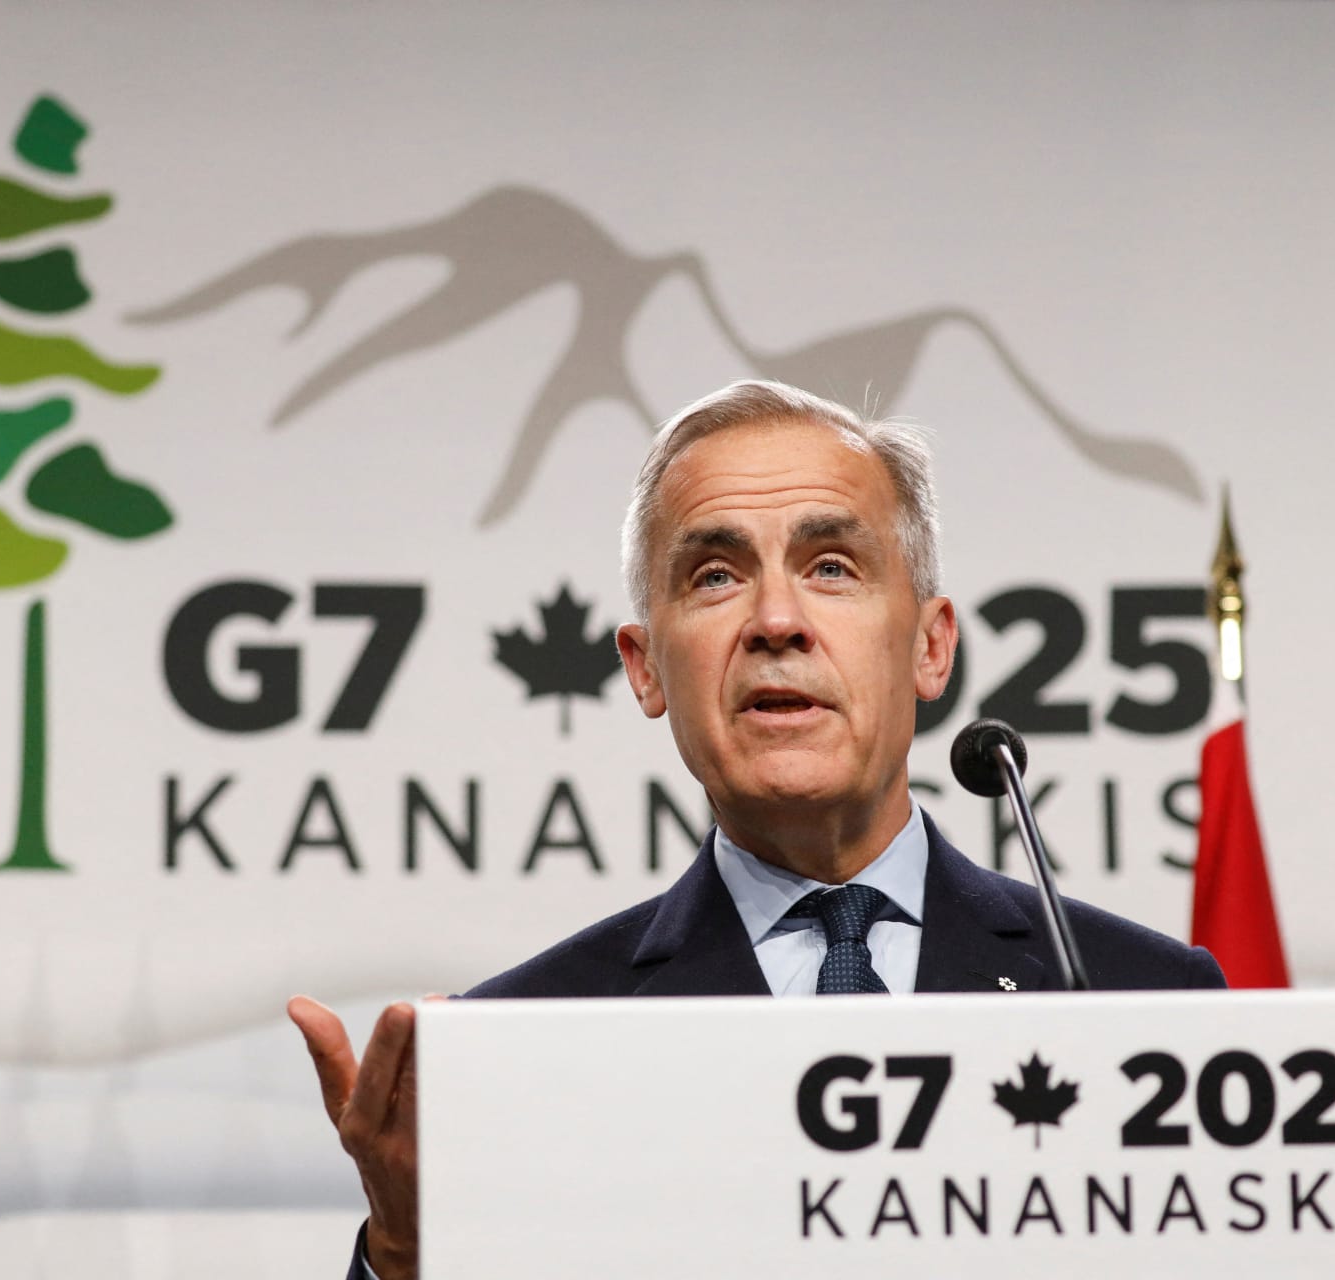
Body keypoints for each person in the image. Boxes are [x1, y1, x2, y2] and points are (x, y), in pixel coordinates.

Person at [288, 379, 1226, 1280]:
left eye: (831, 567)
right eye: (715, 576)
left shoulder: (1146, 999)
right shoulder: (522, 1042)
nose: (777, 620)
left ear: (930, 646)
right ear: (646, 667)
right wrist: (410, 1263)